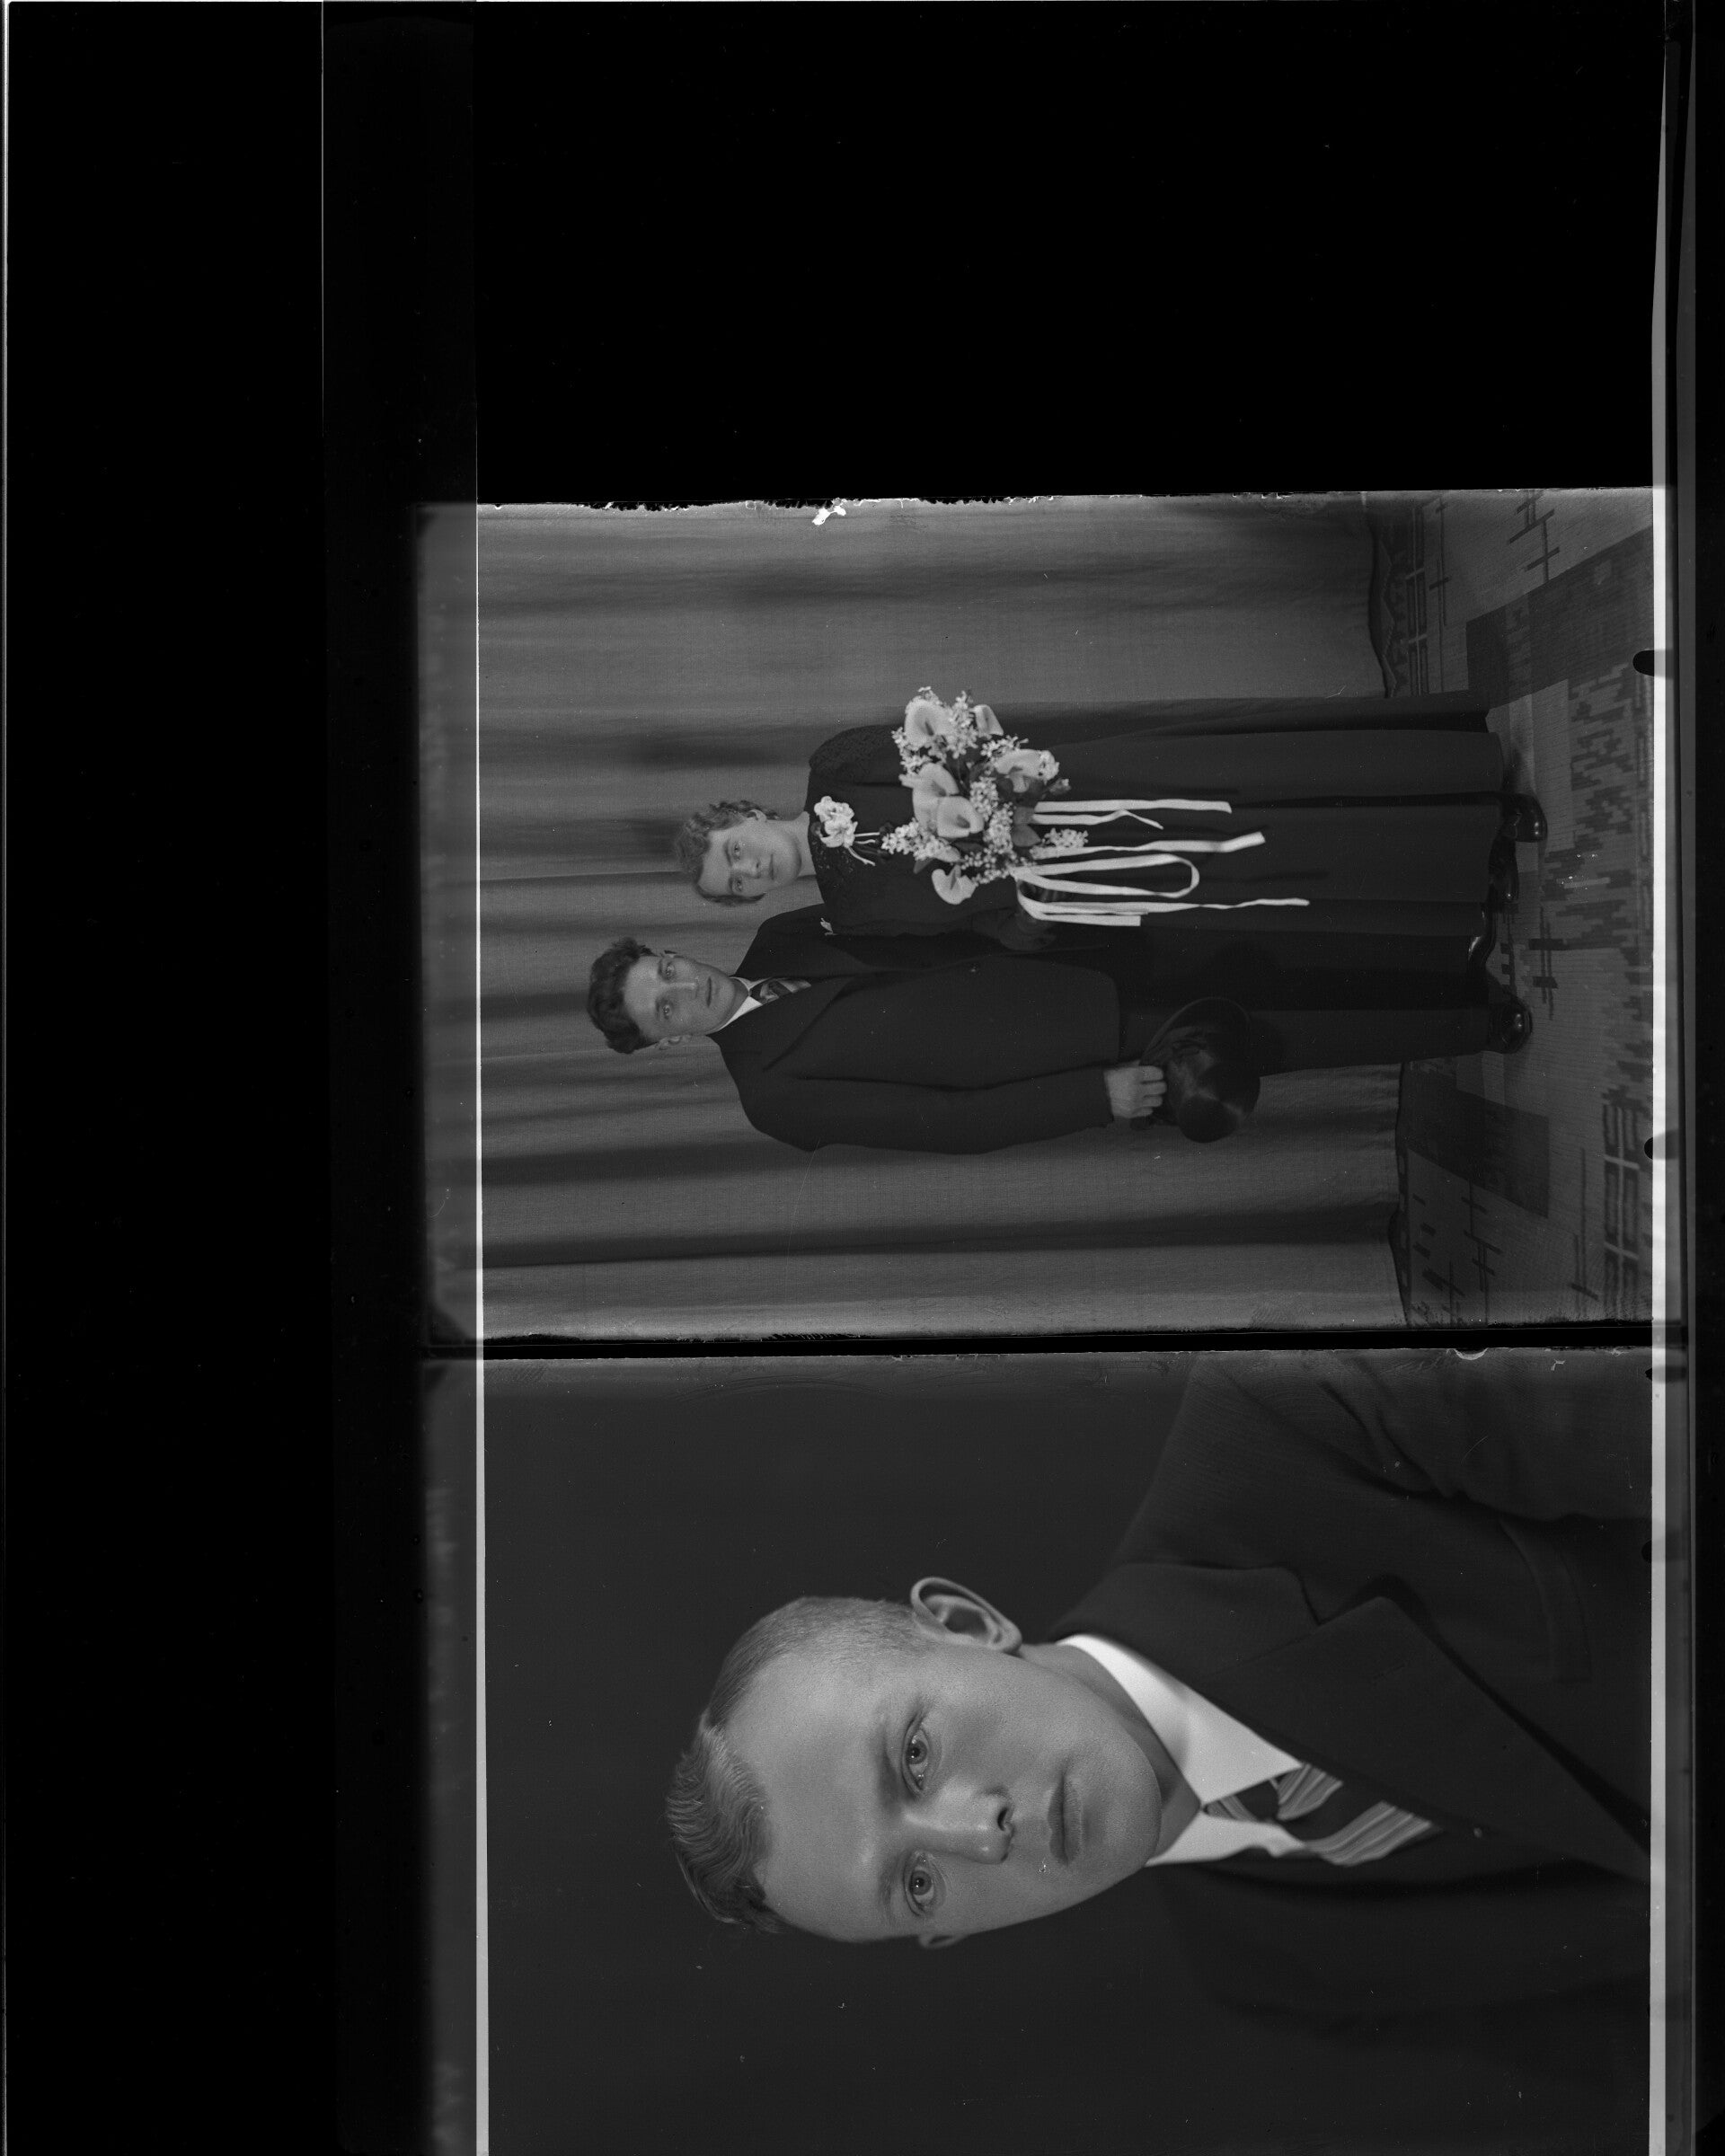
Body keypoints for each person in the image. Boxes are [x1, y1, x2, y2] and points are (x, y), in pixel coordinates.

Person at [664, 1349, 1650, 2027]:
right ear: (950, 1932)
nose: (979, 1834)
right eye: (917, 1885)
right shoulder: (1278, 1966)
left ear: (967, 1623)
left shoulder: (1290, 1418)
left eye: (914, 1758)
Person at [672, 693, 1543, 979]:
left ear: (744, 814)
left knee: (1259, 796)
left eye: (733, 851)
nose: (749, 869)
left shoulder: (831, 769)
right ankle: (1463, 867)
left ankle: (1479, 793)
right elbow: (962, 927)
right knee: (1263, 878)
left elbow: (945, 743)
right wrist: (1019, 918)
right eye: (736, 884)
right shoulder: (851, 920)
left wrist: (998, 794)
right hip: (1084, 884)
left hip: (1080, 791)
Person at [584, 902, 1532, 1155]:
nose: (684, 987)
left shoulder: (781, 934)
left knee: (1269, 954)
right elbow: (943, 1125)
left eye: (666, 968)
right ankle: (1477, 1021)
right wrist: (1093, 1097)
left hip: (1074, 947)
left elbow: (927, 922)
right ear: (671, 1041)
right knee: (1284, 1036)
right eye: (664, 1008)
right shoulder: (772, 1097)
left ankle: (1452, 955)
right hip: (1084, 1047)